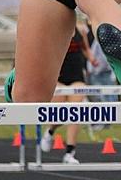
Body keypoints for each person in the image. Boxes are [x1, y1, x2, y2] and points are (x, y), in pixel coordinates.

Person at [40, 25, 96, 164]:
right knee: (59, 115)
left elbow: (85, 48)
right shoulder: (53, 29)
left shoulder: (80, 30)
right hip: (58, 77)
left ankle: (70, 152)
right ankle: (50, 131)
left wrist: (92, 59)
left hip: (77, 77)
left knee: (75, 113)